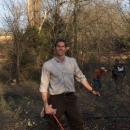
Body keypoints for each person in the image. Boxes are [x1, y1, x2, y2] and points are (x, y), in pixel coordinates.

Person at [39, 39, 100, 130]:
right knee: (52, 123)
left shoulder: (72, 61)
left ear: (66, 48)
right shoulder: (48, 65)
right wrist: (46, 105)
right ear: (55, 48)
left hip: (70, 98)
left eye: (62, 46)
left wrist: (92, 90)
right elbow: (43, 86)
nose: (60, 48)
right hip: (56, 98)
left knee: (78, 123)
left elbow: (81, 77)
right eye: (58, 46)